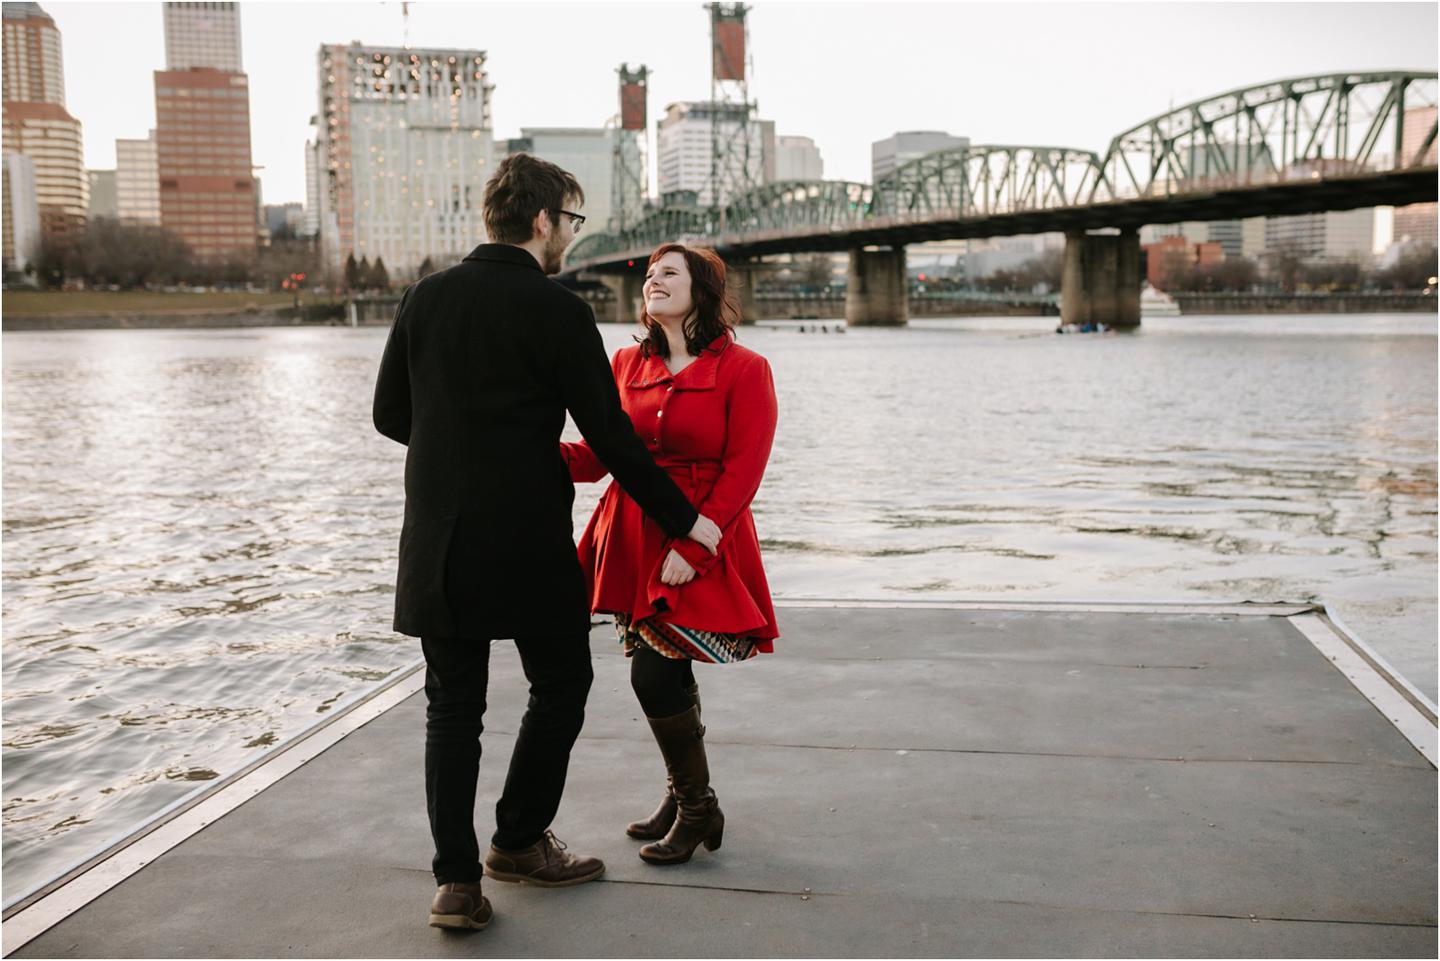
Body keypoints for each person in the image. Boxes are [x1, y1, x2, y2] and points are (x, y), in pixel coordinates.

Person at [372, 155, 722, 930]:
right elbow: (611, 438)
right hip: (527, 538)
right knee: (560, 683)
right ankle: (520, 839)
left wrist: (455, 454)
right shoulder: (558, 310)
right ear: (543, 221)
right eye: (571, 221)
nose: (570, 235)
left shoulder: (425, 298)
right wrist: (684, 518)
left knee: (451, 710)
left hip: (437, 541)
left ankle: (457, 884)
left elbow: (391, 416)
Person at [561, 243, 779, 866]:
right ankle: (681, 794)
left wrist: (695, 543)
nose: (653, 282)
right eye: (650, 275)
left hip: (700, 534)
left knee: (653, 672)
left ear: (702, 290)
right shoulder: (626, 361)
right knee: (665, 667)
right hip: (630, 534)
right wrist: (529, 454)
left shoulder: (745, 367)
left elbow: (744, 470)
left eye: (669, 274)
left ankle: (697, 806)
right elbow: (601, 454)